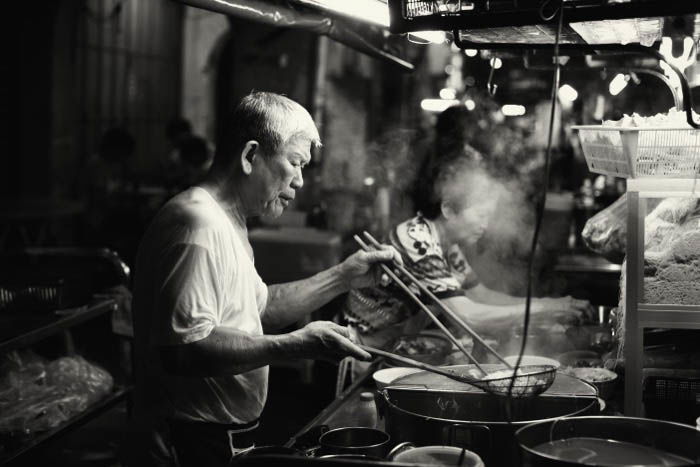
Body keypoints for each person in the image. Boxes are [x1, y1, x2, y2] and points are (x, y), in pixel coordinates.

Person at [129, 92, 400, 467]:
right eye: (294, 163)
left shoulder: (225, 220)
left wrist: (343, 276)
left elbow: (259, 310)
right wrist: (293, 345)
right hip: (189, 438)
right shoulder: (198, 226)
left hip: (218, 434)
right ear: (250, 156)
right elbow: (183, 350)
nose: (301, 181)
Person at [343, 146, 593, 355]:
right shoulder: (418, 242)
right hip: (361, 352)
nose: (485, 225)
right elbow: (468, 316)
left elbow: (480, 295)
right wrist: (547, 310)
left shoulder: (446, 245)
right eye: (481, 214)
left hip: (392, 348)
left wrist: (549, 304)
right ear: (449, 209)